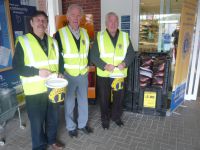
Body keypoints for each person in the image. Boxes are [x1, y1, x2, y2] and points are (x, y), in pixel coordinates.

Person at [12, 11, 64, 150]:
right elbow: (17, 67)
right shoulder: (23, 41)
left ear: (47, 23)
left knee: (53, 118)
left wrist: (60, 73)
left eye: (44, 20)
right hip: (34, 91)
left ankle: (52, 141)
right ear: (32, 23)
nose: (41, 23)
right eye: (38, 20)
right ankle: (40, 147)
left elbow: (60, 61)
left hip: (53, 87)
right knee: (37, 122)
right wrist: (37, 72)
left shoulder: (53, 41)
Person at [90, 12, 134, 129]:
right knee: (104, 98)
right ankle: (105, 119)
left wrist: (125, 63)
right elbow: (93, 55)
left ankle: (116, 117)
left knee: (119, 97)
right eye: (110, 21)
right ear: (106, 23)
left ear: (118, 23)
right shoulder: (99, 36)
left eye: (115, 21)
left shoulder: (125, 36)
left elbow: (131, 53)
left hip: (119, 74)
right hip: (104, 74)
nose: (113, 24)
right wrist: (104, 65)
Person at [55, 4, 93, 138]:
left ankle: (82, 124)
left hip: (82, 74)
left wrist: (87, 66)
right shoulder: (60, 34)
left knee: (83, 101)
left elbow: (87, 52)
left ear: (81, 17)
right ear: (67, 16)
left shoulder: (85, 32)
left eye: (78, 15)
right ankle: (71, 127)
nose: (76, 18)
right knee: (69, 102)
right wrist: (60, 72)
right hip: (68, 75)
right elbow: (57, 55)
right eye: (73, 15)